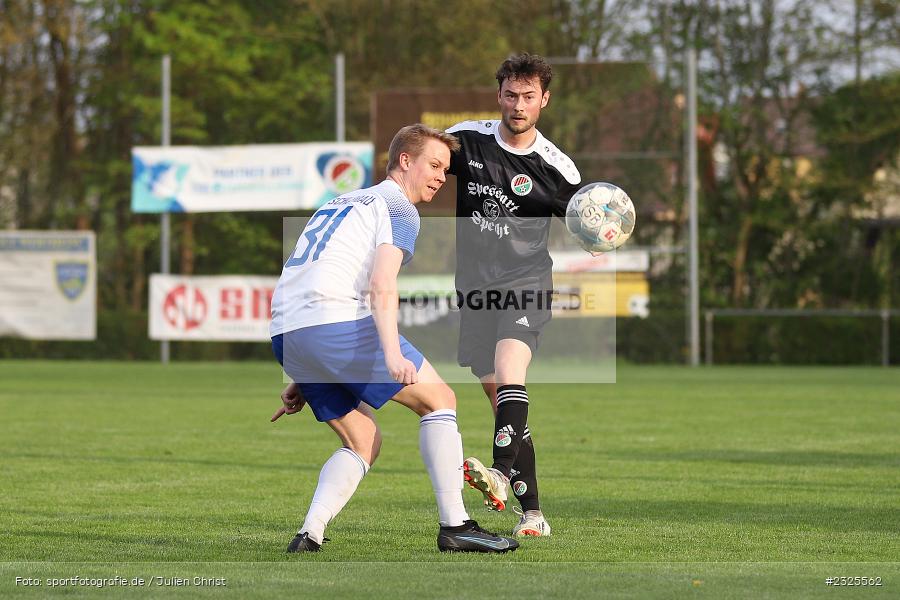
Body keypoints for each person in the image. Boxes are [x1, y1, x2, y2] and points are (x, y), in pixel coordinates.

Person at [268, 124, 517, 554]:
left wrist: (303, 369)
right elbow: (382, 284)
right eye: (434, 165)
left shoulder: (342, 200)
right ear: (404, 160)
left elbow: (314, 273)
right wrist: (389, 353)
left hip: (288, 331)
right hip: (334, 324)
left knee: (363, 441)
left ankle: (310, 533)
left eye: (445, 169)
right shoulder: (398, 207)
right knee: (440, 401)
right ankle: (456, 526)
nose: (441, 177)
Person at [446, 54, 583, 537]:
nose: (518, 105)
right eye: (511, 95)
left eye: (528, 96)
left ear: (545, 99)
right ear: (499, 95)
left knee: (510, 374)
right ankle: (534, 515)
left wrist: (600, 231)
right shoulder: (467, 140)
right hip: (474, 290)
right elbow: (422, 162)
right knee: (502, 401)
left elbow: (588, 220)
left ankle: (500, 474)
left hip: (526, 285)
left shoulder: (557, 169)